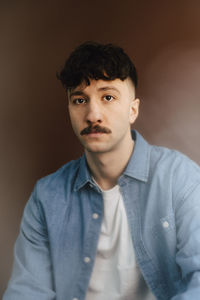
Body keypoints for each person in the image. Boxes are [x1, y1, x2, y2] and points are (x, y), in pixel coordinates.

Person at [3, 41, 200, 300]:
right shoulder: (47, 197)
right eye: (79, 100)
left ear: (133, 110)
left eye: (108, 97)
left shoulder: (179, 177)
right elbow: (27, 291)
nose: (93, 114)